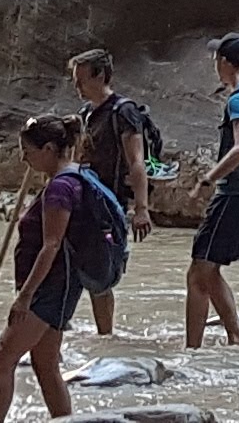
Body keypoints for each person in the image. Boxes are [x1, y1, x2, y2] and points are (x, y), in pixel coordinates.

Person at [0, 115, 93, 420]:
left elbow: (51, 245)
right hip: (59, 287)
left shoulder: (61, 188)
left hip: (49, 289)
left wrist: (25, 296)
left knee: (1, 358)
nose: (23, 157)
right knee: (45, 363)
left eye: (28, 151)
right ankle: (64, 419)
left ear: (49, 148)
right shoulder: (69, 179)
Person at [177, 35, 239, 348]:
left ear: (226, 63)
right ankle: (236, 339)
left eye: (217, 59)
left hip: (234, 194)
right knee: (210, 269)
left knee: (197, 271)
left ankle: (192, 350)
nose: (215, 64)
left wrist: (208, 178)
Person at [68, 50, 162, 335]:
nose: (77, 87)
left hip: (110, 205)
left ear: (100, 75)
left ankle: (105, 335)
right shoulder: (85, 114)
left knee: (100, 274)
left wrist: (142, 209)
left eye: (81, 80)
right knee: (71, 265)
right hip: (83, 201)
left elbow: (136, 162)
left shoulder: (124, 112)